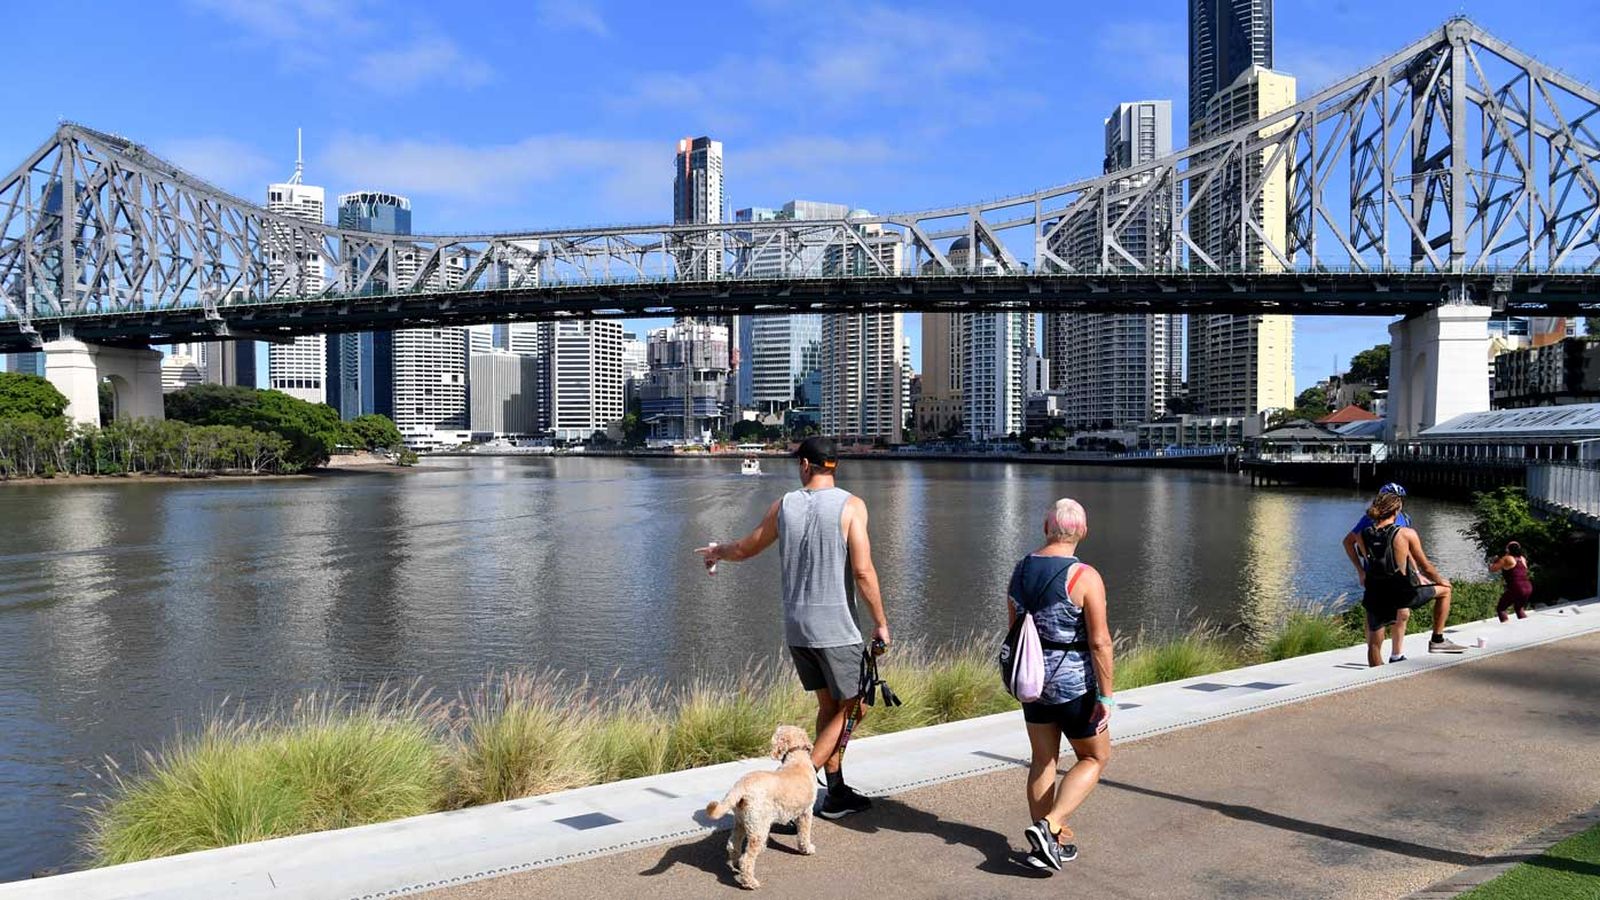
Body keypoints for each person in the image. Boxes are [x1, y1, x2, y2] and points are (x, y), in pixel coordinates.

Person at [695, 436, 890, 820]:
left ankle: (834, 793)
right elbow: (863, 571)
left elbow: (748, 547)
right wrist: (881, 623)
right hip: (836, 628)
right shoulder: (852, 506)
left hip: (798, 627)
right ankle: (796, 788)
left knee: (830, 707)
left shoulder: (784, 506)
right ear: (833, 466)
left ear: (805, 465)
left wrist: (718, 550)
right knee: (856, 706)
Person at [1011, 498, 1113, 872]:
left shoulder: (1021, 570)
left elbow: (1015, 629)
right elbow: (1100, 641)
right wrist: (1106, 695)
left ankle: (1046, 846)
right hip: (1074, 686)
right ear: (1082, 532)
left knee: (1043, 760)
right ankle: (1049, 826)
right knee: (1095, 756)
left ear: (1045, 527)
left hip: (1031, 681)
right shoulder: (1084, 576)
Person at [1356, 492, 1468, 666]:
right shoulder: (1406, 533)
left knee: (1374, 645)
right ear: (1397, 510)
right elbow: (1426, 566)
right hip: (1401, 593)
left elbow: (1369, 560)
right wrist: (1440, 580)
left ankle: (1378, 679)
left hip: (1375, 592)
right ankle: (1437, 640)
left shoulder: (1363, 534)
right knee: (1445, 592)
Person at [1342, 482, 1411, 582]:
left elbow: (1407, 548)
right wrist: (1360, 571)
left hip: (1399, 574)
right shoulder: (1369, 519)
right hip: (1375, 575)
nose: (1398, 503)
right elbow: (1348, 542)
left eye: (1400, 499)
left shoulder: (1405, 518)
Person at [1490, 541, 1533, 622]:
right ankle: (1526, 626)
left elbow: (1493, 569)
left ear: (1508, 550)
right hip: (1528, 587)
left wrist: (1495, 561)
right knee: (1519, 608)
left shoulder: (1507, 558)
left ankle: (1506, 627)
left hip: (1517, 587)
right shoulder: (1522, 559)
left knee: (1501, 608)